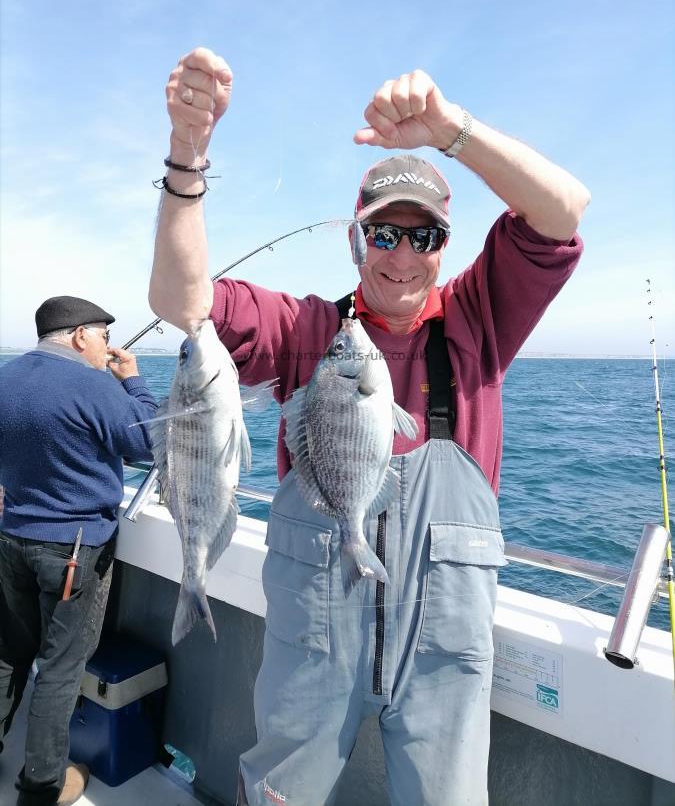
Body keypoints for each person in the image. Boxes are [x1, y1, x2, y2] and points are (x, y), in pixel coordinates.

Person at [148, 48, 589, 806]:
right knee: (280, 794)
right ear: (357, 242)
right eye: (384, 234)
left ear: (444, 247)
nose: (402, 256)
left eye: (423, 237)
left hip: (441, 648)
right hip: (311, 639)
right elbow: (181, 300)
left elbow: (562, 210)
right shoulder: (308, 327)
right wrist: (187, 156)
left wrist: (450, 130)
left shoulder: (479, 317)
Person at [0, 296, 158, 806]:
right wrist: (132, 381)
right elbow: (153, 443)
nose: (109, 348)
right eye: (106, 338)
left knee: (7, 655)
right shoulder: (93, 385)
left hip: (10, 541)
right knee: (61, 667)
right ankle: (42, 787)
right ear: (80, 336)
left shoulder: (7, 376)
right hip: (73, 551)